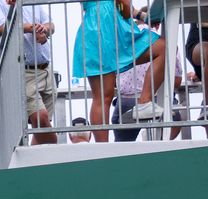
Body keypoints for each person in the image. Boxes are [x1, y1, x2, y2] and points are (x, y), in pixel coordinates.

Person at [72, 0, 169, 142]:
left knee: (102, 97)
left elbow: (125, 7)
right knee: (163, 48)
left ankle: (102, 148)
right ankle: (144, 101)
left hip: (97, 27)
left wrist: (143, 16)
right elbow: (125, 7)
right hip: (106, 26)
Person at [0, 0, 59, 144]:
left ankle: (38, 163)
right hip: (24, 72)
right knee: (40, 118)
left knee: (41, 127)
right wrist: (32, 28)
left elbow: (50, 24)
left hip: (46, 69)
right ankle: (60, 155)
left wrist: (42, 29)